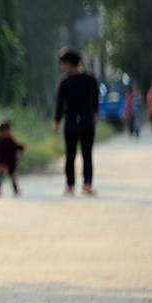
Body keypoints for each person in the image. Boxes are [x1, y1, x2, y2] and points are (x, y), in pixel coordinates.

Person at [53, 47, 99, 195]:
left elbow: (60, 103)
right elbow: (96, 97)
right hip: (87, 121)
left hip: (71, 121)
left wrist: (56, 121)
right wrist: (95, 112)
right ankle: (87, 184)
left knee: (70, 154)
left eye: (63, 63)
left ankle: (70, 185)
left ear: (67, 63)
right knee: (87, 154)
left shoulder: (64, 81)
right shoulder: (90, 78)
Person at [0, 119, 25, 197]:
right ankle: (15, 190)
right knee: (13, 177)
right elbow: (16, 147)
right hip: (10, 162)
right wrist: (22, 147)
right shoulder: (10, 141)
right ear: (7, 130)